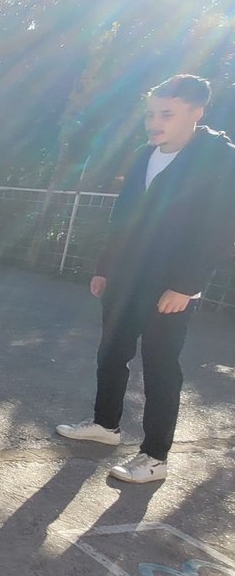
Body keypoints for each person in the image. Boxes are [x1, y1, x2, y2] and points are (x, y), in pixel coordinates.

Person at [56, 74, 235, 483]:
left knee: (160, 365)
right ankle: (106, 427)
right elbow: (124, 216)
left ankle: (155, 456)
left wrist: (186, 285)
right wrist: (105, 266)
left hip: (171, 283)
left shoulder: (220, 158)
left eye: (166, 114)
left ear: (196, 112)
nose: (155, 122)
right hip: (125, 275)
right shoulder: (146, 154)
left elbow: (220, 229)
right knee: (111, 352)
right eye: (151, 114)